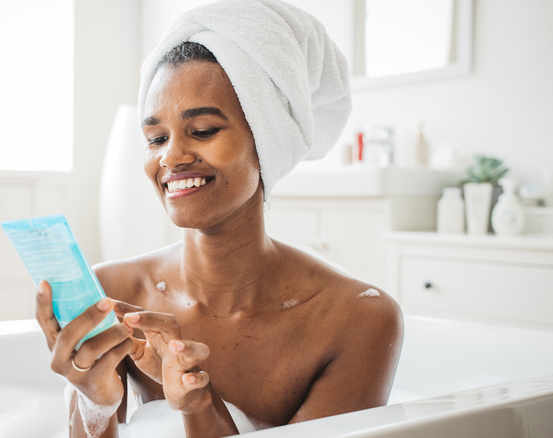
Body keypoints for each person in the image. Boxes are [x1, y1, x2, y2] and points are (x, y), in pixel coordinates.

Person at [36, 1, 403, 437]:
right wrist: (95, 403)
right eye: (155, 137)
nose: (170, 157)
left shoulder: (356, 321)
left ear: (269, 139)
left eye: (204, 130)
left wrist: (197, 405)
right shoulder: (115, 294)